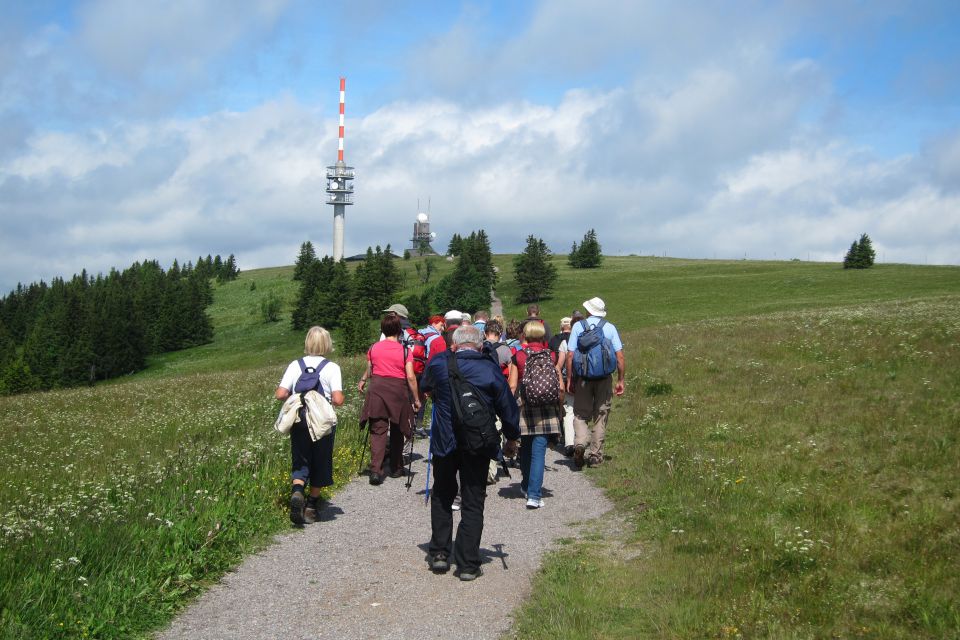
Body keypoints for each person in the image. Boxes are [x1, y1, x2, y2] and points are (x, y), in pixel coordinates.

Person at [420, 325, 520, 580]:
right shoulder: (489, 368)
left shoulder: (439, 363)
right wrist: (512, 437)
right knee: (473, 499)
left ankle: (440, 553)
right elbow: (507, 406)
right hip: (477, 442)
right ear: (479, 345)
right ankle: (467, 563)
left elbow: (425, 386)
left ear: (453, 345)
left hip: (445, 440)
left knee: (443, 493)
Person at [275, 326, 345, 525]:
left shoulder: (295, 365)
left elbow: (280, 394)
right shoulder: (332, 368)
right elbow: (338, 399)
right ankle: (312, 506)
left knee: (301, 458)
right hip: (321, 422)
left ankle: (297, 491)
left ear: (307, 342)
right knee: (321, 460)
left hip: (299, 419)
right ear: (327, 344)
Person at [358, 314, 421, 484]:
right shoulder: (405, 351)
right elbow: (410, 377)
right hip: (397, 393)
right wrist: (416, 398)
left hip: (377, 390)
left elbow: (371, 369)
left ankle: (375, 471)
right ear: (399, 331)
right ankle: (395, 467)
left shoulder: (374, 348)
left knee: (378, 430)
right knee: (398, 429)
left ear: (383, 330)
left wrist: (363, 380)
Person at [565, 297, 626, 469]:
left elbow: (570, 356)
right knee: (601, 415)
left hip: (583, 379)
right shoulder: (609, 327)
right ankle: (595, 455)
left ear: (588, 311)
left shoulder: (578, 327)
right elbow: (619, 357)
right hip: (604, 379)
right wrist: (620, 379)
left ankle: (579, 444)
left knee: (580, 414)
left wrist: (570, 379)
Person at [511, 322, 563, 508]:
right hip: (547, 407)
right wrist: (559, 406)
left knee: (525, 448)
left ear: (525, 335)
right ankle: (534, 495)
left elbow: (512, 386)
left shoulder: (519, 356)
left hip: (525, 406)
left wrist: (510, 408)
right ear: (542, 336)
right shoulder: (551, 355)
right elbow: (560, 386)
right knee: (539, 451)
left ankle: (526, 485)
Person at [550, 314, 580, 456]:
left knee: (569, 412)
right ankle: (581, 441)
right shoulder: (590, 340)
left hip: (570, 382)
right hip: (587, 381)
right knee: (583, 412)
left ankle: (569, 443)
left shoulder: (564, 343)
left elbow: (558, 366)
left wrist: (561, 380)